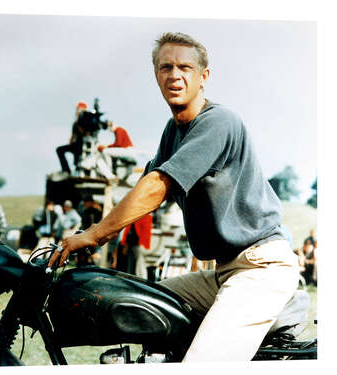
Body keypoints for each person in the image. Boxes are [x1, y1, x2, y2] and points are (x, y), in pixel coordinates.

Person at [49, 32, 299, 362]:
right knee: (135, 302)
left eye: (185, 67)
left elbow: (158, 185)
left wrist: (94, 235)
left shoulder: (219, 122)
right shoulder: (174, 130)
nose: (175, 75)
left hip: (260, 267)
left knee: (202, 363)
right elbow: (142, 188)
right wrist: (95, 234)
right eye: (166, 67)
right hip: (223, 272)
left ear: (203, 77)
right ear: (156, 75)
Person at [56, 101, 88, 175]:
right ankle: (66, 170)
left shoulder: (86, 122)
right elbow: (73, 135)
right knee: (59, 150)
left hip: (82, 145)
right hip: (75, 144)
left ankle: (77, 170)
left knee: (78, 156)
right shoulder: (75, 123)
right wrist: (70, 143)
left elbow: (86, 134)